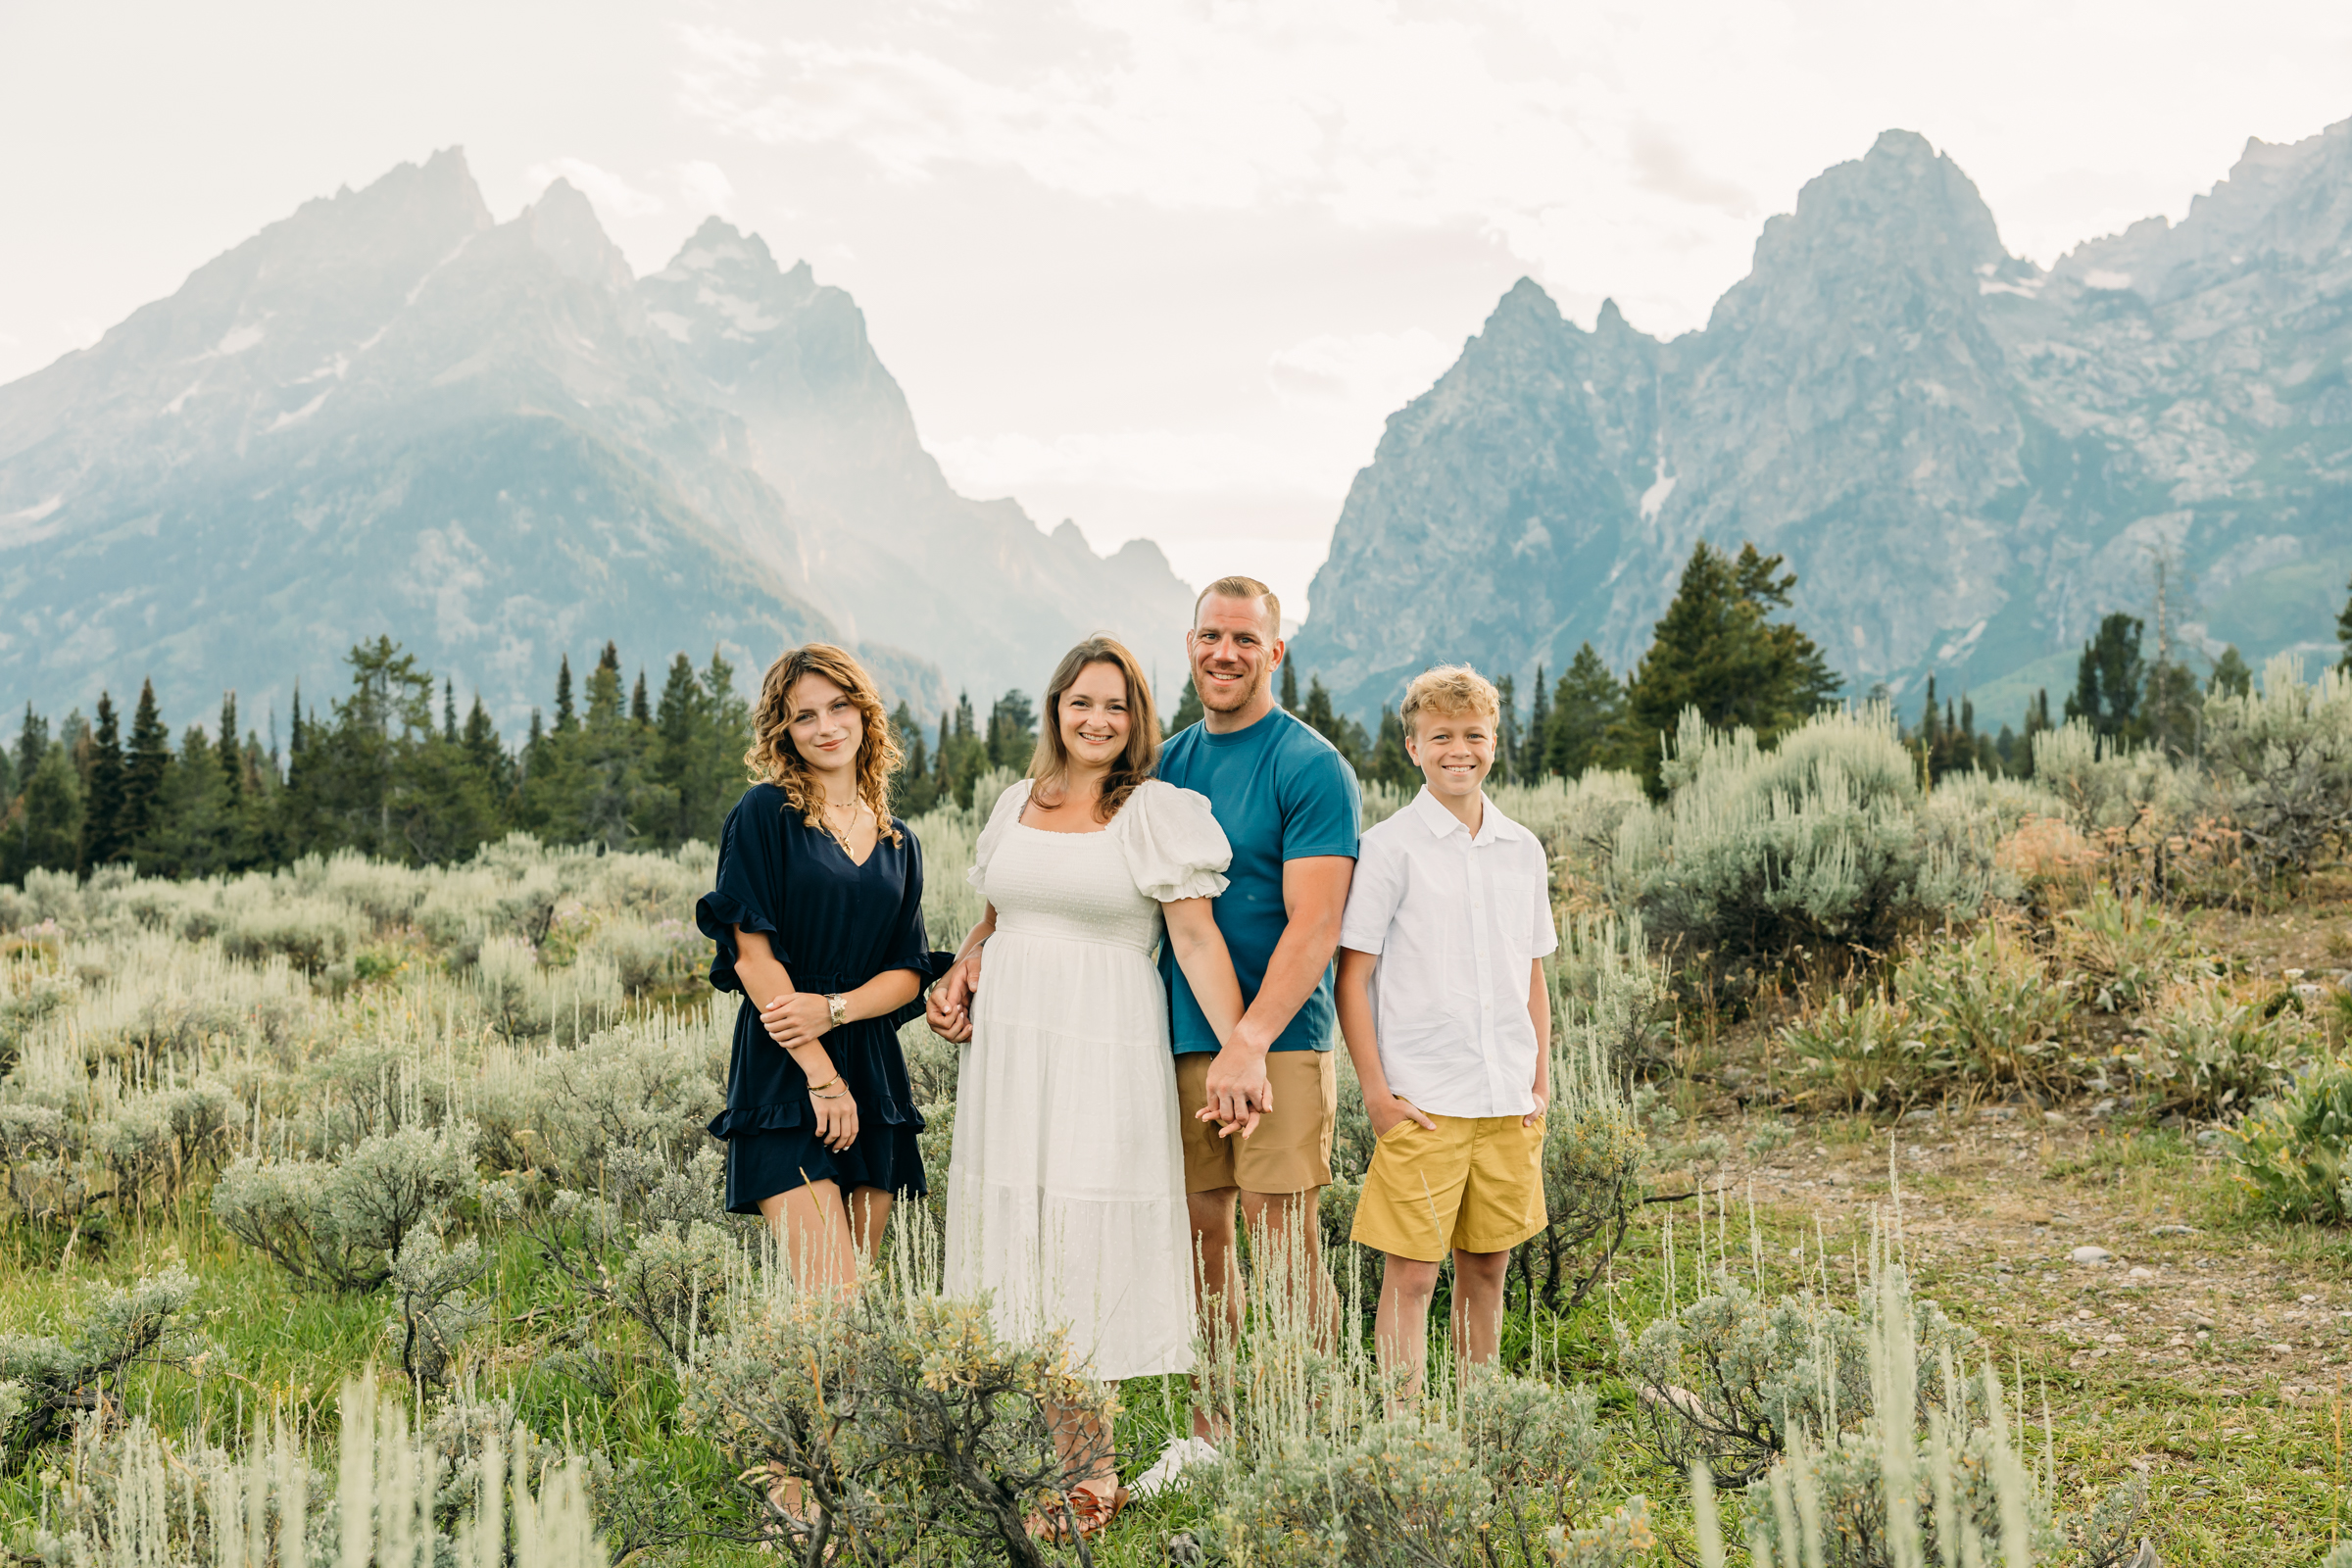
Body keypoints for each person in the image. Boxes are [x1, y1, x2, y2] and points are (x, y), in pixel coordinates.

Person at [925, 635, 1246, 1540]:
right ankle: (1043, 1454)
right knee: (1020, 1230)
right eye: (1082, 703)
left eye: (1117, 706)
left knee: (1079, 1232)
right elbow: (995, 921)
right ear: (1056, 709)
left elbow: (1194, 942)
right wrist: (960, 975)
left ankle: (1088, 1474)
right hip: (1014, 1052)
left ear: (1136, 720)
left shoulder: (1153, 812)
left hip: (1103, 1042)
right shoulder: (1013, 804)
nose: (1097, 721)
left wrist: (1239, 1048)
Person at [1159, 575, 1360, 1425]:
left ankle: (1314, 1429)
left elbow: (1315, 927)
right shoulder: (1170, 761)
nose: (1226, 653)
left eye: (1245, 639)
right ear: (1192, 643)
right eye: (1212, 636)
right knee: (1204, 1233)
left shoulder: (1311, 765)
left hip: (1278, 1040)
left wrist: (1248, 1041)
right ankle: (1214, 1429)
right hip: (1182, 1033)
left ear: (1275, 652)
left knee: (1284, 1238)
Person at [1333, 664, 1554, 1403]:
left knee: (1487, 1265)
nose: (1458, 750)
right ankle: (1403, 1432)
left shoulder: (1522, 849)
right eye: (1440, 737)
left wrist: (1540, 1082)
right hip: (1424, 1099)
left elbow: (1532, 976)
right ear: (1412, 748)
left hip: (1505, 1099)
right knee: (1414, 1272)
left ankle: (1479, 1415)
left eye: (1473, 735)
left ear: (1495, 743)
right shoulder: (1390, 848)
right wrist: (1376, 1094)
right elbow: (1353, 977)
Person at [696, 643, 942, 1296]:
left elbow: (909, 973)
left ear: (865, 715)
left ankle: (830, 1402)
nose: (827, 727)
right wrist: (820, 1073)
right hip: (786, 1065)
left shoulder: (899, 841)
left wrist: (835, 1010)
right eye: (805, 717)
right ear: (785, 732)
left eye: (839, 707)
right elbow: (752, 955)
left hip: (873, 1070)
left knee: (853, 1307)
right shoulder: (763, 816)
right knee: (831, 1295)